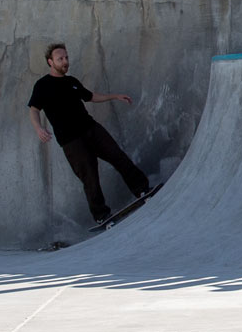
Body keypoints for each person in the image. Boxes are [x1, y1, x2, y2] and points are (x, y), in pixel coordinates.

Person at [27, 43, 153, 225]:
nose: (65, 62)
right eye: (60, 59)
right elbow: (34, 110)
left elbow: (91, 96)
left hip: (91, 129)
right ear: (50, 62)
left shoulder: (71, 82)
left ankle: (142, 190)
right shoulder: (42, 85)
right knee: (90, 177)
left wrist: (114, 96)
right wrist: (39, 128)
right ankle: (101, 215)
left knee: (118, 156)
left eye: (66, 58)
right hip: (71, 141)